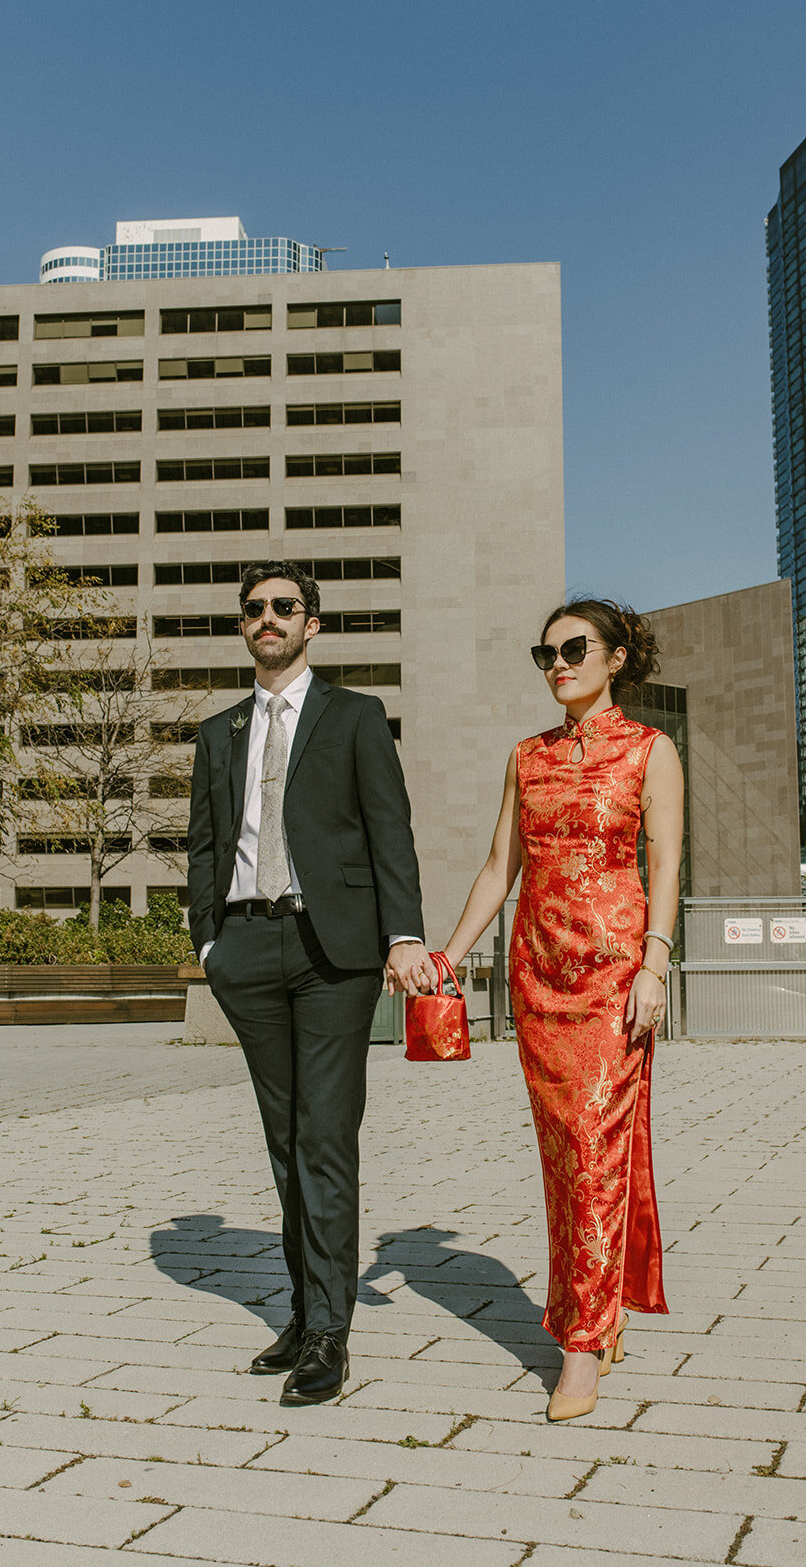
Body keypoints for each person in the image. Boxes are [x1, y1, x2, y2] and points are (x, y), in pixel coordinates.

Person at [187, 561, 434, 1406]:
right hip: (247, 950)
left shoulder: (355, 717)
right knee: (285, 1141)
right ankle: (304, 1309)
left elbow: (388, 831)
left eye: (283, 607)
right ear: (244, 625)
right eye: (254, 609)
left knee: (325, 1139)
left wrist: (404, 934)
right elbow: (203, 846)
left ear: (311, 624)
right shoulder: (217, 732)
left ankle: (329, 1334)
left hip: (336, 955)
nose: (268, 618)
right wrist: (209, 942)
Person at [433, 598, 683, 1421]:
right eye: (543, 653)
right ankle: (596, 1311)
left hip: (613, 974)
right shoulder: (525, 756)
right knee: (564, 1159)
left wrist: (654, 962)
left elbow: (665, 863)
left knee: (596, 1146)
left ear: (616, 658)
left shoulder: (650, 750)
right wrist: (450, 951)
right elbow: (499, 865)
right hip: (537, 977)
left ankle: (581, 1338)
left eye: (573, 648)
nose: (556, 664)